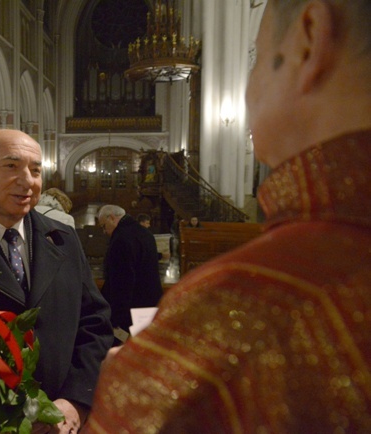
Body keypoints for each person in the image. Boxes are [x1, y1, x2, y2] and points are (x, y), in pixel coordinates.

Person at [84, 1, 371, 432]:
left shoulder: (243, 307)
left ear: (307, 40)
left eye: (255, 57)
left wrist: (133, 376)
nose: (249, 84)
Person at [0, 129, 114, 433]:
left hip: (61, 422)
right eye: (11, 166)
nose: (28, 180)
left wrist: (74, 403)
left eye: (35, 169)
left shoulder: (63, 239)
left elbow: (94, 323)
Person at [96, 205, 163, 336]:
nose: (104, 231)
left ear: (111, 218)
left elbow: (121, 282)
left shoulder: (121, 238)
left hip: (131, 310)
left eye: (104, 226)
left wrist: (116, 317)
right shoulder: (145, 233)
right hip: (150, 304)